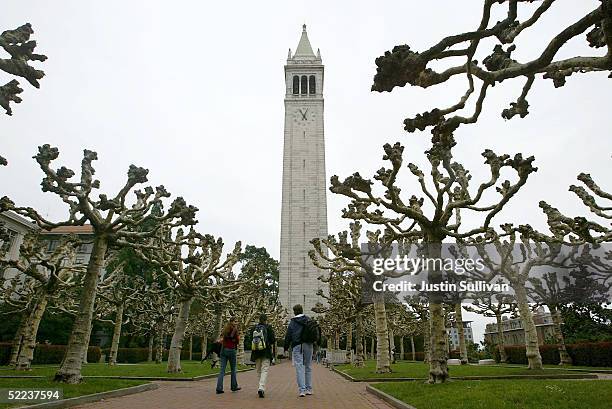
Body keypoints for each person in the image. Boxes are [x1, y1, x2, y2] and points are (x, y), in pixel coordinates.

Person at [284, 304, 314, 397]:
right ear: (302, 310)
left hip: (297, 345)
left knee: (299, 367)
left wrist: (285, 347)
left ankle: (302, 390)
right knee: (308, 366)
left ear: (294, 311)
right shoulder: (308, 319)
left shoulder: (293, 322)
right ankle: (309, 389)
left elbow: (288, 336)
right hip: (308, 344)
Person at [249, 314, 276, 398]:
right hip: (266, 351)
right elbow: (272, 340)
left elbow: (251, 339)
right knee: (265, 370)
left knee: (258, 370)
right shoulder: (268, 327)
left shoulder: (254, 328)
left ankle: (260, 386)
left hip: (256, 351)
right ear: (266, 320)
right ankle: (261, 387)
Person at [216, 317, 241, 394]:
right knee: (233, 369)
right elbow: (237, 341)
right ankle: (234, 386)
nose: (236, 323)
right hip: (231, 350)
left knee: (222, 370)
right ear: (232, 322)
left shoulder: (225, 329)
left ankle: (219, 388)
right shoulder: (235, 330)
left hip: (223, 350)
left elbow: (222, 337)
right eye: (235, 321)